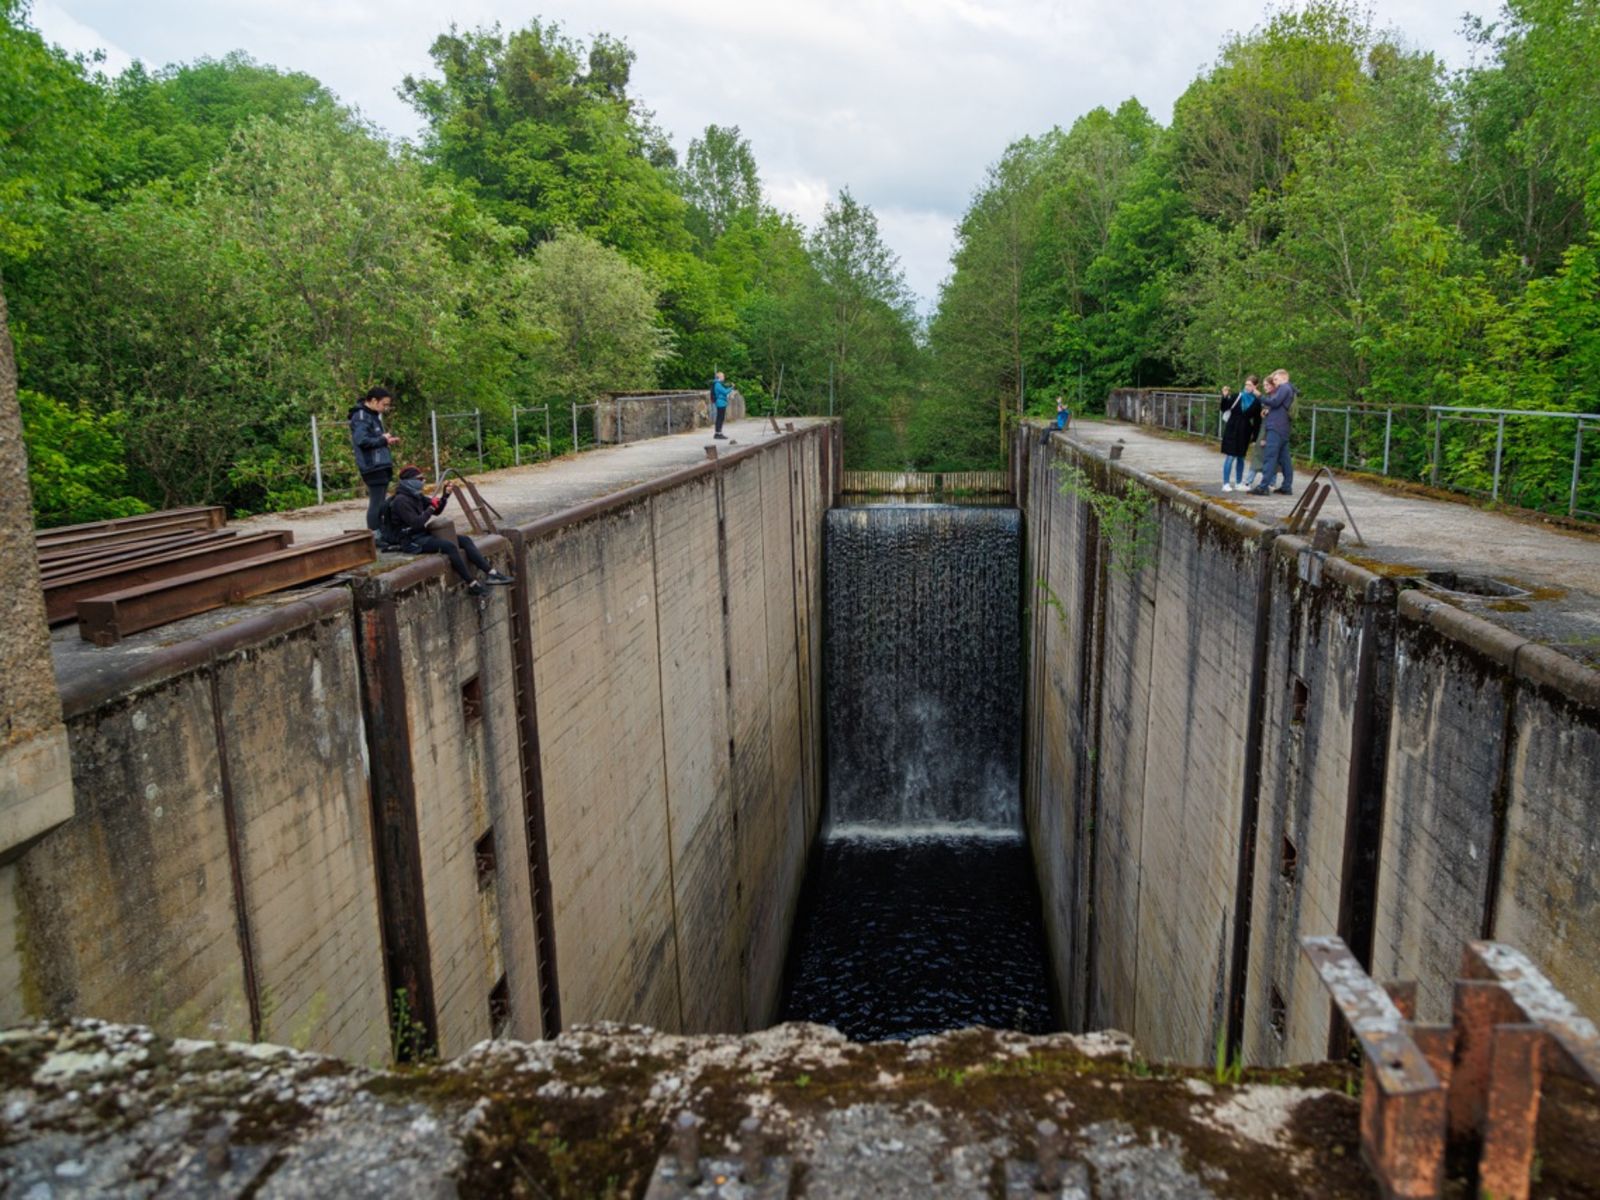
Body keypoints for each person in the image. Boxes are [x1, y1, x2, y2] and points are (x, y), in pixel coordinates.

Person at [380, 466, 513, 597]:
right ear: (410, 481)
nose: (423, 481)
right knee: (449, 547)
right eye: (420, 479)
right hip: (411, 541)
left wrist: (445, 496)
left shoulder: (416, 496)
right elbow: (417, 522)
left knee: (465, 540)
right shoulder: (401, 501)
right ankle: (472, 584)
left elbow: (437, 510)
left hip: (422, 534)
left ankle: (492, 573)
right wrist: (431, 508)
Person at [350, 386, 400, 532]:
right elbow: (362, 440)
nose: (385, 408)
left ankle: (382, 532)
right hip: (371, 466)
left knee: (381, 502)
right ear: (373, 401)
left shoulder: (372, 415)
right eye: (384, 404)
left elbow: (374, 439)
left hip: (380, 465)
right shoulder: (361, 417)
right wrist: (382, 440)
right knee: (376, 503)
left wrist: (386, 441)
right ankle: (375, 535)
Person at [1250, 369, 1297, 496]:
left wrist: (1259, 395)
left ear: (1283, 378)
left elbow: (1274, 402)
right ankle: (1287, 487)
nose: (1274, 382)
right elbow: (1278, 405)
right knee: (1285, 459)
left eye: (1276, 379)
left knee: (1270, 457)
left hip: (1276, 427)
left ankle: (1263, 487)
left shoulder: (1284, 387)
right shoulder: (1290, 389)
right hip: (1283, 428)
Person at [1220, 376, 1262, 492]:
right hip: (1232, 428)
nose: (1247, 387)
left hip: (1245, 430)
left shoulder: (1257, 401)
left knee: (1241, 457)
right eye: (1246, 384)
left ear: (1255, 386)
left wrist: (1255, 437)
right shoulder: (1237, 396)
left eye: (1250, 385)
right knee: (1230, 456)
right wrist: (1224, 396)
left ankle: (1238, 483)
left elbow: (1257, 420)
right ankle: (1226, 483)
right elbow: (1224, 407)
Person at [710, 370, 732, 440]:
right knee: (720, 418)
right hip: (720, 403)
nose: (724, 377)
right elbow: (725, 392)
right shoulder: (718, 384)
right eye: (723, 376)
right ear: (719, 377)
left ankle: (718, 432)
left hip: (720, 402)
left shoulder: (717, 384)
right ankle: (718, 433)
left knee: (720, 418)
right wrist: (731, 387)